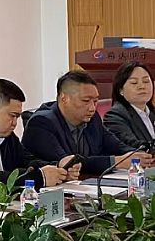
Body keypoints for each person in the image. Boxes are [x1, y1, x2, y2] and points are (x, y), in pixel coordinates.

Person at [22, 71, 154, 174]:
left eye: (95, 101)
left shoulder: (92, 118)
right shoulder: (41, 123)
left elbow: (116, 145)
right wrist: (118, 162)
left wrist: (141, 156)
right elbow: (69, 163)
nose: (92, 108)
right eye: (86, 101)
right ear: (64, 99)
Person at [103, 61, 155, 149]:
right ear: (121, 90)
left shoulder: (152, 113)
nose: (142, 86)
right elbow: (131, 144)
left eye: (146, 81)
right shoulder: (114, 116)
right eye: (134, 83)